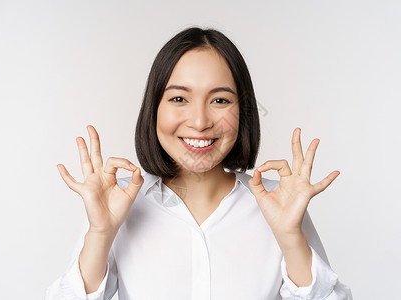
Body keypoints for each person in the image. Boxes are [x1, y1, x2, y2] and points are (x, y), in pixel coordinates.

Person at [45, 27, 352, 299]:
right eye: (179, 99)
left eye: (220, 100)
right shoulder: (115, 204)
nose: (200, 121)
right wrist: (100, 233)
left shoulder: (279, 205)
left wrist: (290, 238)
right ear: (154, 109)